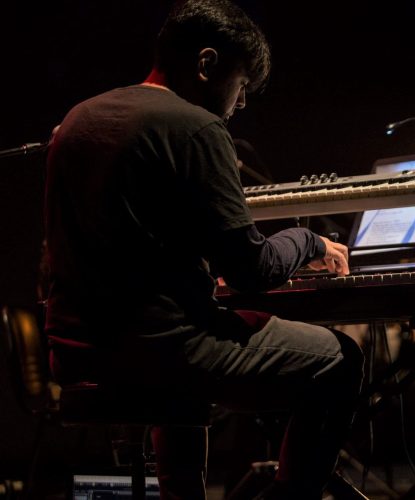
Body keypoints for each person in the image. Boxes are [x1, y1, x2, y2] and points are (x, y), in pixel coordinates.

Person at [43, 1, 364, 498]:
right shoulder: (196, 127)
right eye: (241, 87)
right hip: (165, 352)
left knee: (187, 332)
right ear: (207, 63)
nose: (240, 105)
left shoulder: (78, 119)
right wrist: (309, 240)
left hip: (79, 352)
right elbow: (252, 271)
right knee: (339, 356)